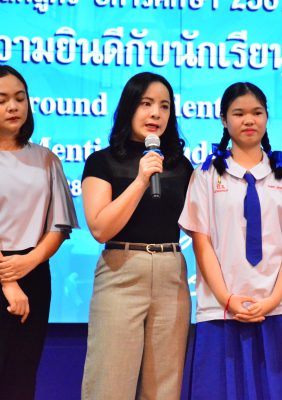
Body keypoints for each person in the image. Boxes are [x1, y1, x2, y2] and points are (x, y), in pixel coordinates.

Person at [178, 82, 282, 400]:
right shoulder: (205, 177)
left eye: (257, 113)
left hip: (278, 310)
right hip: (220, 311)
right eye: (238, 113)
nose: (248, 120)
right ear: (223, 119)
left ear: (267, 117)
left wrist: (272, 301)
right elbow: (202, 244)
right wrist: (227, 298)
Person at [81, 72, 193, 400]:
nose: (156, 113)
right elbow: (100, 228)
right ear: (129, 107)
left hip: (172, 274)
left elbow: (196, 225)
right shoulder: (102, 162)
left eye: (164, 106)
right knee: (110, 383)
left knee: (164, 387)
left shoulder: (180, 165)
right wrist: (141, 180)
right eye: (146, 103)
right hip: (121, 271)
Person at [0, 65, 78, 400]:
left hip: (34, 272)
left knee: (22, 374)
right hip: (5, 270)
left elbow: (59, 226)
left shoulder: (46, 159)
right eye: (2, 100)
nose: (13, 106)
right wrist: (8, 280)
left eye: (20, 98)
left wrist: (29, 261)